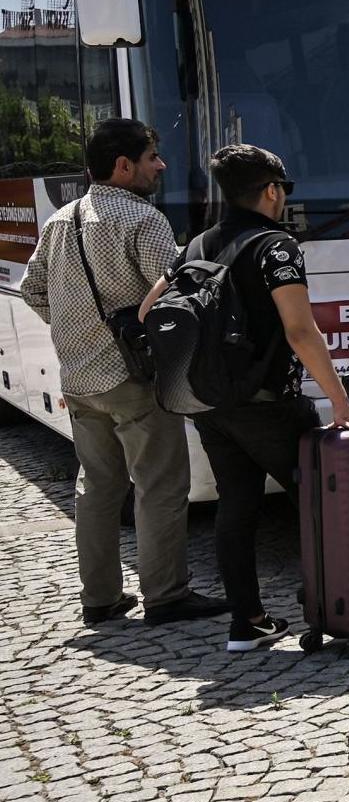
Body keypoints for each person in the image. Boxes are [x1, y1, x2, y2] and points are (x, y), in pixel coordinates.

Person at [138, 145, 349, 652]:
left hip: (212, 404)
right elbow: (301, 332)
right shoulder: (276, 246)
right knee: (319, 504)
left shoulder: (197, 244)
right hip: (268, 405)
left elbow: (151, 309)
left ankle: (248, 622)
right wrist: (340, 403)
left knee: (236, 505)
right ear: (271, 190)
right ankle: (332, 614)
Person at [21, 119, 221, 627]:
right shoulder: (142, 219)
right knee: (159, 485)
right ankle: (166, 594)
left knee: (97, 488)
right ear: (123, 165)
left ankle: (101, 598)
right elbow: (175, 295)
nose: (162, 165)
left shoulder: (61, 219)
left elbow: (32, 290)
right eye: (152, 156)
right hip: (134, 379)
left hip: (80, 378)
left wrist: (77, 330)